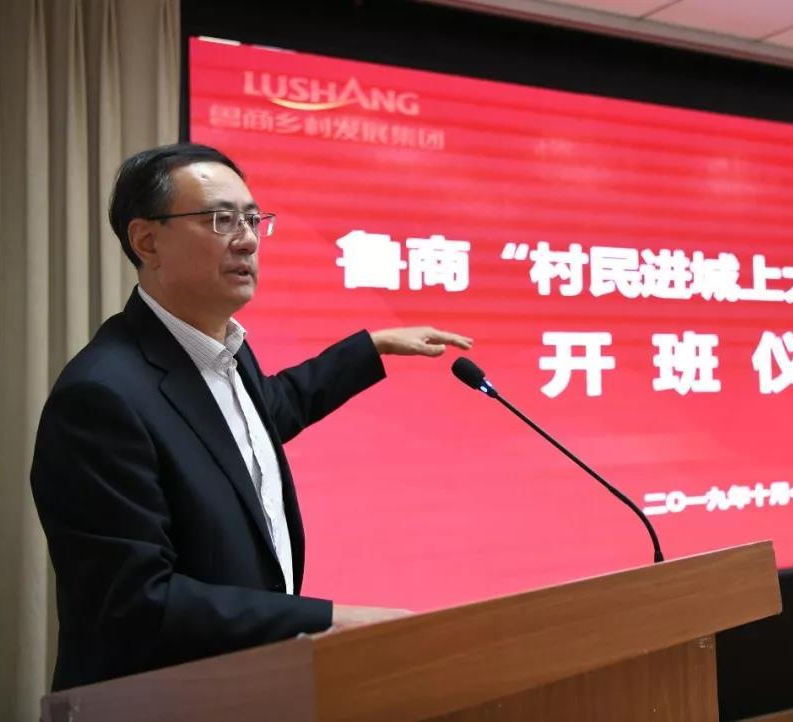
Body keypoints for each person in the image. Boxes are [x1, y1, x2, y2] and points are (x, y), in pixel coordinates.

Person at [29, 143, 472, 691]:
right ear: (147, 241)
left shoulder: (222, 354)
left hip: (244, 687)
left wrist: (371, 348)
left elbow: (261, 418)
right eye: (220, 219)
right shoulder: (101, 397)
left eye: (252, 219)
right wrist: (329, 619)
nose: (247, 239)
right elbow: (134, 600)